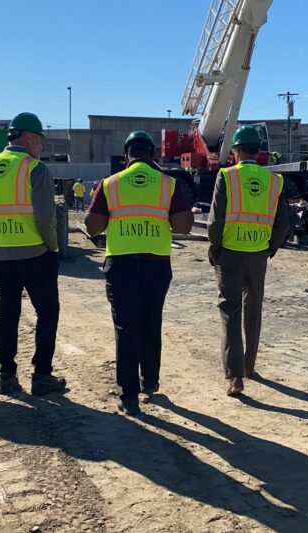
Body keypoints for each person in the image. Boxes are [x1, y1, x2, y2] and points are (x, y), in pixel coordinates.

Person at [85, 131, 193, 415]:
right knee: (151, 323)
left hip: (120, 266)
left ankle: (129, 395)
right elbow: (184, 226)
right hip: (156, 265)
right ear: (153, 156)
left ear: (126, 156)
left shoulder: (110, 185)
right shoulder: (168, 185)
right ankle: (150, 381)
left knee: (126, 327)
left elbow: (92, 226)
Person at [0, 112, 67, 396]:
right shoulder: (35, 169)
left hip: (2, 257)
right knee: (47, 312)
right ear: (28, 137)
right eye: (39, 140)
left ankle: (7, 376)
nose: (40, 147)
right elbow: (44, 219)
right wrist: (53, 248)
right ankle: (41, 375)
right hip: (36, 254)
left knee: (8, 312)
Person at [207, 125, 290, 397]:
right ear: (259, 150)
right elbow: (283, 223)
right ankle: (250, 366)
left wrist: (214, 248)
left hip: (230, 253)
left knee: (230, 312)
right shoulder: (274, 181)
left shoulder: (227, 176)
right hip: (258, 255)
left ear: (236, 150)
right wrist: (270, 249)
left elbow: (215, 219)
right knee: (254, 309)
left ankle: (235, 377)